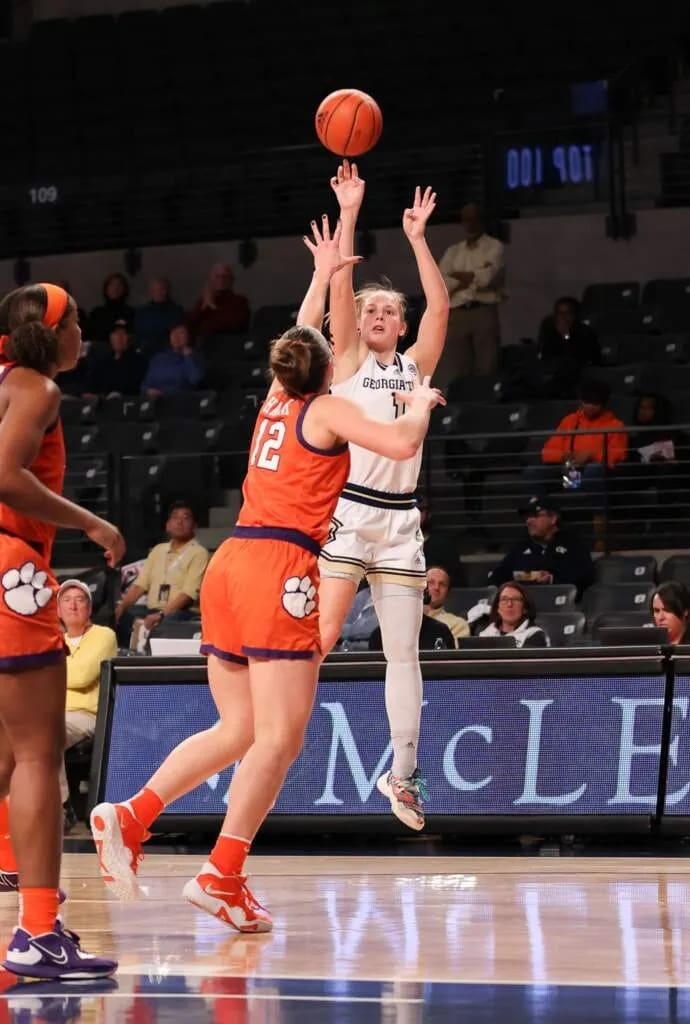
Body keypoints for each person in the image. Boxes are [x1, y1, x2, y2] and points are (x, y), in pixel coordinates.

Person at [89, 218, 444, 933]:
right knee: (280, 738)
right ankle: (221, 874)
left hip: (231, 563)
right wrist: (424, 406)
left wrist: (323, 271)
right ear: (327, 366)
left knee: (240, 727)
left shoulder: (276, 401)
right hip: (282, 564)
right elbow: (403, 439)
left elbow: (304, 331)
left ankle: (131, 815)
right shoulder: (330, 406)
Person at [308, 161, 449, 833]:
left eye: (390, 309)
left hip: (400, 525)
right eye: (371, 309)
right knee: (324, 636)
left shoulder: (416, 367)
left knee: (404, 652)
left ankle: (404, 773)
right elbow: (339, 286)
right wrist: (351, 213)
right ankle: (265, 724)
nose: (379, 314)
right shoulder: (346, 361)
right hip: (350, 511)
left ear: (401, 324)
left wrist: (419, 240)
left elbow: (443, 307)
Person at [0, 282, 124, 979]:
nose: (84, 330)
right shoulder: (37, 389)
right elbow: (5, 476)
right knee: (39, 753)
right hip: (11, 569)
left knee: (4, 758)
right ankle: (37, 933)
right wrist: (91, 521)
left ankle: (39, 920)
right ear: (53, 335)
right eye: (76, 321)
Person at [57, 579, 117, 831]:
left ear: (89, 609)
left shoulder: (104, 635)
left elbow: (82, 676)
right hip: (51, 713)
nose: (72, 605)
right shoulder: (53, 638)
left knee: (46, 733)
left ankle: (61, 806)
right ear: (58, 610)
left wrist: (44, 671)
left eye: (80, 600)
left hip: (86, 715)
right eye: (66, 600)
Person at [114, 502, 209, 649]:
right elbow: (140, 584)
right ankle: (126, 659)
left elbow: (188, 594)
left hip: (180, 612)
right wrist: (121, 607)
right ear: (167, 525)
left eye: (185, 518)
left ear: (194, 526)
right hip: (153, 609)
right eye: (175, 518)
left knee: (168, 621)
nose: (179, 521)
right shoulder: (158, 550)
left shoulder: (199, 553)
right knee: (122, 617)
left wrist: (161, 614)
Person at [435, 202, 505, 388]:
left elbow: (487, 279)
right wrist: (472, 276)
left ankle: (484, 408)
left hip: (483, 310)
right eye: (466, 219)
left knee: (486, 366)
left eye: (474, 218)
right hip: (457, 313)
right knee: (457, 368)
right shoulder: (453, 251)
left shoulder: (494, 247)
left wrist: (457, 276)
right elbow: (440, 284)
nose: (470, 223)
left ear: (482, 220)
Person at [489, 496, 595, 598]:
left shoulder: (574, 544)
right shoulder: (521, 546)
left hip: (561, 606)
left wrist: (551, 579)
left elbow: (585, 577)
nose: (528, 521)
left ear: (553, 518)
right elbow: (499, 575)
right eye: (527, 516)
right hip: (524, 607)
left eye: (535, 515)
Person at [187, 263, 250, 339]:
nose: (221, 280)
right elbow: (189, 325)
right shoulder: (204, 300)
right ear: (211, 280)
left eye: (225, 276)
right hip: (202, 345)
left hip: (228, 344)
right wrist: (204, 305)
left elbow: (231, 325)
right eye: (217, 276)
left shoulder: (240, 301)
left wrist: (211, 305)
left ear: (231, 280)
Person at [142, 324, 204, 398]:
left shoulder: (195, 356)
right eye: (173, 332)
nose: (176, 336)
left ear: (188, 337)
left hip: (181, 401)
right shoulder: (158, 358)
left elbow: (195, 379)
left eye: (181, 333)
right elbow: (145, 384)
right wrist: (148, 390)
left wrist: (187, 357)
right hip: (157, 402)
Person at [479, 583, 548, 648]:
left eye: (516, 599)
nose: (509, 604)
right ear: (497, 608)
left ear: (525, 608)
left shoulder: (535, 634)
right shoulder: (486, 633)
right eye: (504, 599)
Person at [133, 277, 185, 356]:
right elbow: (137, 333)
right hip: (144, 351)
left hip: (167, 351)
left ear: (167, 290)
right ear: (150, 291)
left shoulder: (176, 311)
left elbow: (177, 334)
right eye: (154, 289)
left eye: (161, 289)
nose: (158, 292)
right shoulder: (141, 312)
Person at [424, 566, 470, 646]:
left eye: (442, 584)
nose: (436, 587)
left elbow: (452, 656)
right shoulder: (405, 619)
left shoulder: (458, 625)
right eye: (431, 582)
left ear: (447, 593)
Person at [86, 273, 134, 343]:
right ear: (106, 288)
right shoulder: (97, 312)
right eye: (112, 285)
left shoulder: (129, 312)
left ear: (124, 289)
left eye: (119, 285)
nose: (115, 288)